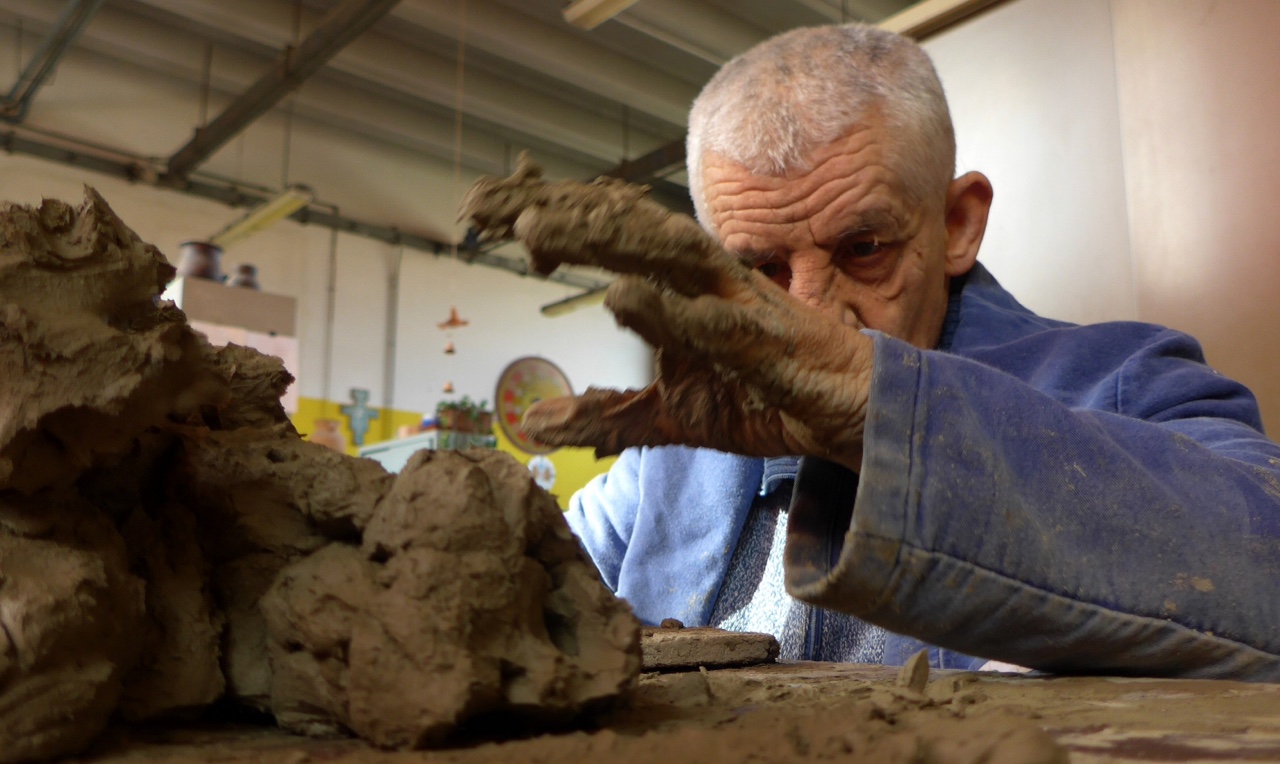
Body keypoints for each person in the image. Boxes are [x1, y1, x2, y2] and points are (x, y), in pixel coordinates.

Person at [519, 24, 1280, 680]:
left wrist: (881, 414)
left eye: (864, 247)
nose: (811, 311)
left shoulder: (1121, 383)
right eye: (759, 269)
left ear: (955, 224)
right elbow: (528, 586)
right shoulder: (675, 456)